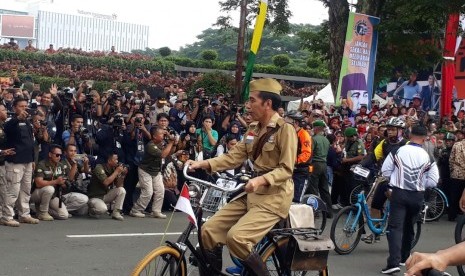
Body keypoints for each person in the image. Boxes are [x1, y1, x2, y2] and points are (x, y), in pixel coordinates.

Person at [187, 78, 297, 275]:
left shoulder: (285, 130)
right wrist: (202, 163)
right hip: (249, 194)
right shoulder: (253, 129)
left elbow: (286, 169)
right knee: (207, 231)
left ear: (268, 103)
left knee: (237, 238)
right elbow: (233, 157)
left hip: (274, 197)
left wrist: (260, 180)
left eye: (252, 100)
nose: (248, 106)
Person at [380, 124, 439, 274]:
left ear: (410, 134)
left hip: (399, 193)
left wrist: (394, 180)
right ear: (425, 138)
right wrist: (420, 183)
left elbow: (385, 170)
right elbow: (433, 180)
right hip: (417, 195)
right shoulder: (427, 156)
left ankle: (393, 262)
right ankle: (404, 258)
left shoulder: (398, 150)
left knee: (395, 228)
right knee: (409, 227)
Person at [2, 98, 39, 225]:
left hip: (28, 160)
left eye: (25, 106)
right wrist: (17, 118)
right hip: (15, 160)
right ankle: (7, 216)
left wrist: (33, 159)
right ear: (14, 108)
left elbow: (31, 142)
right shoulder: (10, 121)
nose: (24, 108)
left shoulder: (27, 122)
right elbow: (6, 128)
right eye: (21, 106)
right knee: (12, 190)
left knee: (25, 189)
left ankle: (24, 214)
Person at [129, 127, 176, 219]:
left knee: (160, 190)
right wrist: (171, 142)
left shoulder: (161, 143)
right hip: (145, 170)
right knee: (148, 191)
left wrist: (173, 143)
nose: (164, 136)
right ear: (154, 136)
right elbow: (163, 155)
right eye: (161, 134)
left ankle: (156, 211)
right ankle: (136, 210)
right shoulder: (150, 145)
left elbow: (169, 153)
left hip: (156, 171)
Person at [87, 153, 127, 221]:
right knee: (102, 209)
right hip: (95, 197)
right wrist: (117, 172)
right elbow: (106, 182)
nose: (117, 161)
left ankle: (116, 212)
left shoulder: (114, 169)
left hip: (105, 195)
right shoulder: (99, 167)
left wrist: (122, 175)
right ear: (109, 161)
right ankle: (90, 210)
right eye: (115, 159)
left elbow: (119, 186)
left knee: (122, 190)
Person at [284, 111, 312, 203]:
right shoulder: (289, 133)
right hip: (289, 168)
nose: (285, 124)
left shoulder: (304, 134)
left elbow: (306, 153)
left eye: (287, 122)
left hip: (300, 170)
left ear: (295, 123)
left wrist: (293, 161)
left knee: (296, 199)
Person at [307, 119, 332, 216]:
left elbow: (310, 152)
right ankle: (329, 211)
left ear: (315, 128)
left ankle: (315, 211)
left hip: (315, 164)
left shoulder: (313, 139)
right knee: (324, 188)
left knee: (314, 188)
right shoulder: (326, 140)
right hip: (324, 164)